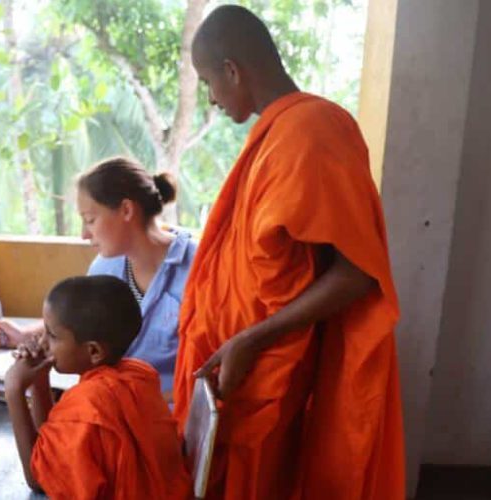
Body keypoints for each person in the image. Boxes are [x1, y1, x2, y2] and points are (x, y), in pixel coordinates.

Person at [172, 5, 405, 499]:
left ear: (232, 70)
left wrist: (253, 339)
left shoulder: (316, 130)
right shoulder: (276, 133)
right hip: (238, 364)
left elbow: (357, 274)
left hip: (269, 365)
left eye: (208, 82)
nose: (211, 98)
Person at [0, 157, 197, 394]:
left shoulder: (199, 270)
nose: (84, 234)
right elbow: (84, 323)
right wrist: (25, 336)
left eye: (90, 220)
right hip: (107, 407)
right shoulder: (107, 266)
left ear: (126, 210)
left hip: (166, 418)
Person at [4, 275, 190, 499]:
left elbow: (38, 479)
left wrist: (14, 390)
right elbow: (53, 450)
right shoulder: (140, 374)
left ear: (94, 352)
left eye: (52, 335)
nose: (42, 342)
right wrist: (39, 380)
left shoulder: (89, 402)